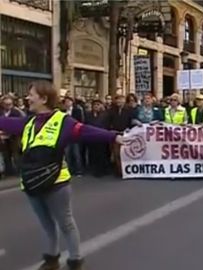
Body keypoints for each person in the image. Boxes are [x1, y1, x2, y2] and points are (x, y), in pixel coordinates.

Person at [0, 81, 123, 270]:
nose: (27, 98)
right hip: (32, 181)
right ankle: (52, 259)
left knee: (65, 222)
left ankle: (75, 260)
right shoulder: (29, 122)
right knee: (47, 224)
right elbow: (6, 122)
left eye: (31, 94)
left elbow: (86, 131)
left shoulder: (63, 121)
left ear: (43, 98)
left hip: (56, 183)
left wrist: (113, 137)